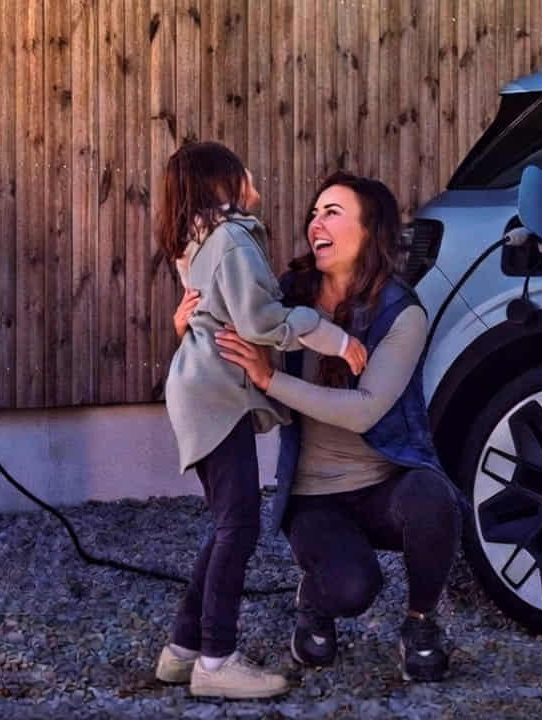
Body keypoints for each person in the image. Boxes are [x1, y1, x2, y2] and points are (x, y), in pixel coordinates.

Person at [214, 172, 463, 682]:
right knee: (353, 589)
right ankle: (316, 598)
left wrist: (271, 381)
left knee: (434, 497)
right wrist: (189, 326)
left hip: (384, 486)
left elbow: (364, 410)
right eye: (314, 212)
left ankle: (420, 624)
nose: (315, 223)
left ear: (371, 232)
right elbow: (227, 336)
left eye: (332, 212)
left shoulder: (401, 312)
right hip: (314, 496)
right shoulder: (287, 295)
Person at [153, 142, 366, 699]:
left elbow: (213, 311)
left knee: (230, 522)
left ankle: (183, 649)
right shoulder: (232, 238)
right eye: (241, 167)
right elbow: (263, 319)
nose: (252, 172)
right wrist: (335, 338)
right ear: (223, 183)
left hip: (203, 392)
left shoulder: (202, 241)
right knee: (239, 527)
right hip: (215, 396)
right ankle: (217, 662)